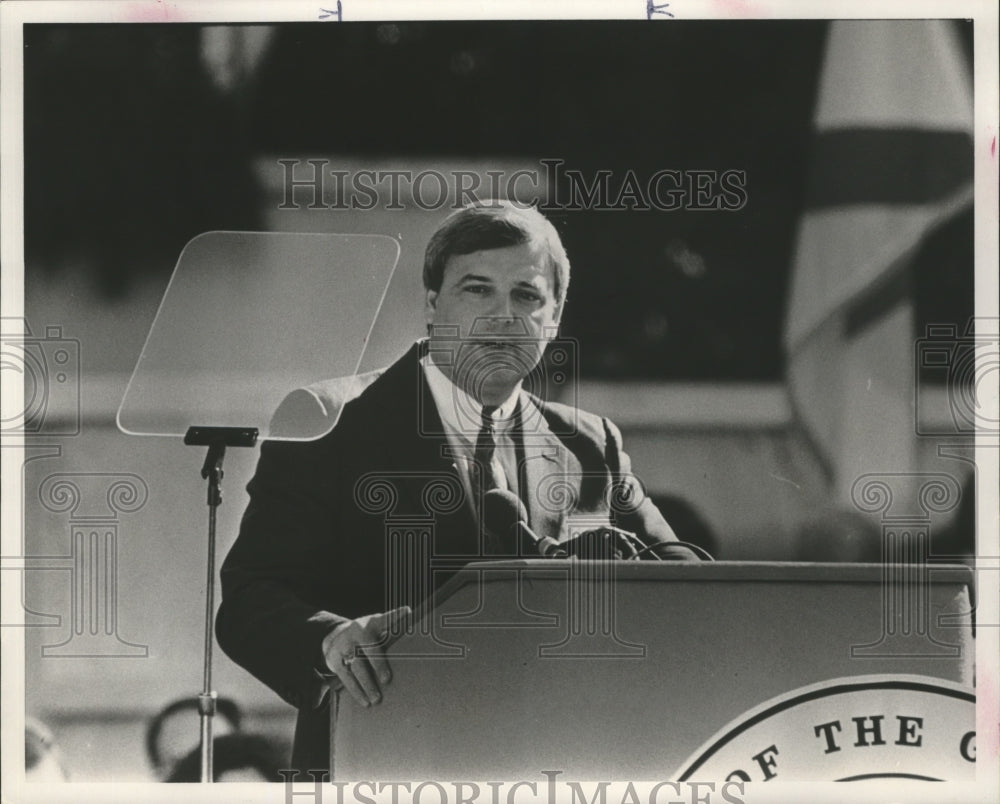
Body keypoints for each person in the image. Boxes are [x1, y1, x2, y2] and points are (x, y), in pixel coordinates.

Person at [216, 201, 698, 773]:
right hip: (383, 761)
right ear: (431, 305)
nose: (502, 316)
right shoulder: (331, 420)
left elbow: (693, 585)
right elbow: (249, 601)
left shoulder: (591, 445)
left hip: (556, 766)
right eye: (477, 290)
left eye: (526, 296)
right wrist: (332, 639)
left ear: (555, 317)